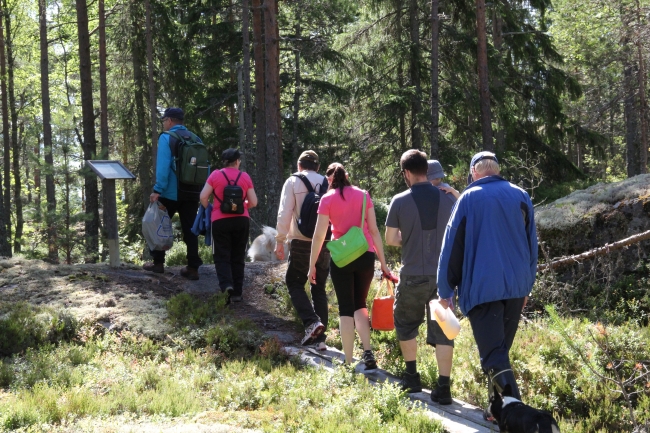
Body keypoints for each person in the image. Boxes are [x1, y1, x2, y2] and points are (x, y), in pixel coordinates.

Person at [436, 151, 538, 421]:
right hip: (516, 287)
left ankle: (518, 419)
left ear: (475, 173)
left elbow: (452, 247)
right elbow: (532, 245)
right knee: (499, 353)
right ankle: (496, 411)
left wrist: (445, 289)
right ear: (497, 170)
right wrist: (527, 285)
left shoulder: (469, 198)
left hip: (483, 288)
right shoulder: (520, 195)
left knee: (494, 355)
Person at [385, 150, 457, 401]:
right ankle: (444, 387)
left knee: (405, 325)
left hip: (413, 274)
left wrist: (409, 237)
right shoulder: (448, 199)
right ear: (427, 170)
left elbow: (391, 239)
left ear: (406, 173)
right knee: (444, 331)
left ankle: (412, 378)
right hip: (443, 278)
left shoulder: (400, 200)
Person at [308, 163, 392, 371]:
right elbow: (374, 231)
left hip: (342, 258)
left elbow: (319, 236)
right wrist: (383, 263)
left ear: (331, 179)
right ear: (347, 176)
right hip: (365, 254)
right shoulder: (364, 195)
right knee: (360, 304)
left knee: (346, 308)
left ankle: (347, 361)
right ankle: (368, 352)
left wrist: (312, 266)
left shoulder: (327, 199)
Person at [275, 150, 331, 349]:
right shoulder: (327, 182)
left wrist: (279, 241)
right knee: (319, 287)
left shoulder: (292, 182)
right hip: (324, 243)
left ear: (299, 166)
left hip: (300, 242)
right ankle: (321, 340)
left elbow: (285, 213)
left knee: (294, 282)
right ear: (317, 167)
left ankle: (311, 322)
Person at [143, 107, 203, 280]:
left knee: (157, 224)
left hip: (170, 192)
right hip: (192, 192)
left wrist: (157, 190)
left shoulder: (167, 138)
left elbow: (163, 167)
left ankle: (158, 263)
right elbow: (203, 166)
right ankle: (193, 267)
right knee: (190, 229)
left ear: (169, 120)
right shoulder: (195, 138)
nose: (163, 124)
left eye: (163, 121)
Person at [200, 148, 257, 302]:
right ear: (237, 161)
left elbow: (203, 197)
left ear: (224, 161)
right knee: (238, 256)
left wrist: (210, 209)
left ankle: (226, 286)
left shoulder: (215, 175)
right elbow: (254, 202)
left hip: (220, 220)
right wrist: (243, 205)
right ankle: (238, 292)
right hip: (241, 220)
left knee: (221, 254)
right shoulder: (244, 177)